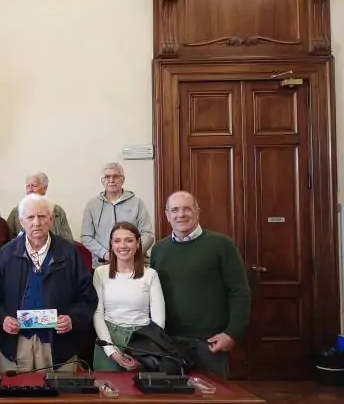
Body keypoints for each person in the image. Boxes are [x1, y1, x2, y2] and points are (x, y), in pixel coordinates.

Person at [0, 194, 97, 372]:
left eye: (41, 216)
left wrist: (73, 319)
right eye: (30, 217)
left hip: (59, 345)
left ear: (51, 219)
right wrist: (2, 318)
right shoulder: (6, 254)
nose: (36, 223)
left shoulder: (69, 253)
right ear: (21, 221)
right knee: (16, 390)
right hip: (16, 344)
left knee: (59, 390)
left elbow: (87, 297)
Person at [149, 191, 251, 378]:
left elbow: (239, 291)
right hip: (170, 343)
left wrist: (232, 333)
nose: (181, 214)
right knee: (172, 394)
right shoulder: (159, 250)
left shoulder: (222, 245)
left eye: (187, 209)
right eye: (175, 210)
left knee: (214, 394)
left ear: (197, 212)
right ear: (167, 215)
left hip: (210, 342)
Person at [92, 221, 165, 371]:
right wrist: (111, 351)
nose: (123, 245)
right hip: (108, 338)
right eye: (117, 241)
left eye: (129, 240)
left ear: (138, 244)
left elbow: (158, 321)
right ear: (111, 244)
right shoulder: (100, 273)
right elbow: (97, 314)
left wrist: (144, 355)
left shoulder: (151, 274)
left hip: (142, 340)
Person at [80, 162, 155, 268]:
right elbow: (86, 236)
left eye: (115, 176)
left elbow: (148, 234)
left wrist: (131, 253)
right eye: (107, 177)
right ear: (102, 180)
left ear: (122, 179)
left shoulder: (137, 203)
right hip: (102, 265)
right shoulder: (92, 205)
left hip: (134, 264)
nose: (111, 180)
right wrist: (105, 254)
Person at [6, 172, 73, 240]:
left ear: (45, 188)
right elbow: (8, 238)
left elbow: (68, 240)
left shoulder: (57, 210)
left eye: (34, 186)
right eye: (28, 186)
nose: (30, 190)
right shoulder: (17, 211)